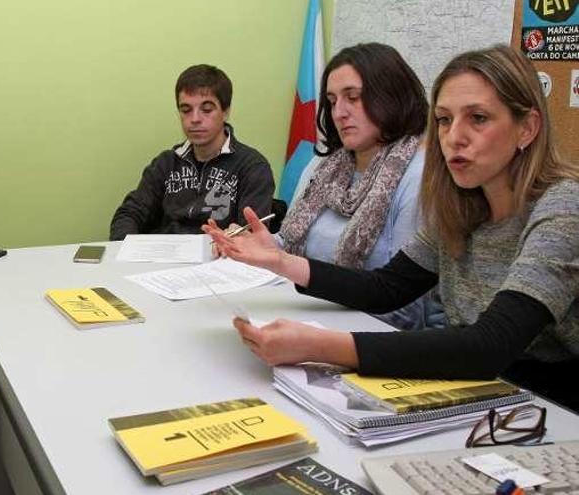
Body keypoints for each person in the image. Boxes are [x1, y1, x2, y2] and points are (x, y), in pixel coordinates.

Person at [204, 45, 579, 411]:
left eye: (478, 118)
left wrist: (319, 345)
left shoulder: (563, 207)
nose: (454, 137)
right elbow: (386, 288)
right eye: (445, 120)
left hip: (553, 405)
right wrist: (280, 261)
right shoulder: (463, 204)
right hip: (488, 391)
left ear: (527, 128)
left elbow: (489, 345)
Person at [279, 42, 439, 331]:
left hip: (371, 335)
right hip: (302, 315)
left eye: (353, 97)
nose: (339, 112)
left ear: (391, 96)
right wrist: (253, 245)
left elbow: (405, 311)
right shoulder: (321, 166)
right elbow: (286, 244)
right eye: (331, 100)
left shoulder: (419, 176)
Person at [109, 64, 275, 240]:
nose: (194, 119)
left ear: (225, 112)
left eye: (207, 109)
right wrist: (128, 251)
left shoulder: (253, 166)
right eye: (186, 110)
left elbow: (253, 234)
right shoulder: (166, 163)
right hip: (164, 258)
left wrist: (238, 239)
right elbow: (128, 214)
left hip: (219, 260)